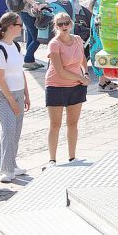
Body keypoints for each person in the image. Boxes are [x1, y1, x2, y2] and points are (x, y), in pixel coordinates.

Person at [44, 12, 90, 170]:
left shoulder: (77, 39)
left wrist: (85, 73)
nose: (64, 26)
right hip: (56, 86)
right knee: (55, 124)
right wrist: (81, 79)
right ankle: (52, 159)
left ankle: (72, 156)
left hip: (76, 85)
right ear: (55, 27)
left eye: (66, 23)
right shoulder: (54, 44)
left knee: (73, 123)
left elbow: (82, 59)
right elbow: (60, 70)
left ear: (71, 24)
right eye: (60, 24)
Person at [0, 13, 30, 183]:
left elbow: (20, 71)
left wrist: (26, 94)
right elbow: (0, 78)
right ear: (10, 26)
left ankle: (10, 162)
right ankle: (6, 169)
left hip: (18, 91)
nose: (22, 27)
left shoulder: (15, 46)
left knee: (16, 130)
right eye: (20, 25)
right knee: (9, 128)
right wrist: (12, 101)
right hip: (2, 95)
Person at [88, 0, 118, 92]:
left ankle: (106, 79)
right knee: (103, 50)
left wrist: (95, 16)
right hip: (103, 25)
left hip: (95, 23)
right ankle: (102, 83)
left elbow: (89, 7)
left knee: (99, 49)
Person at [21, 0, 48, 70]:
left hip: (30, 13)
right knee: (37, 38)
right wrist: (35, 4)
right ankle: (27, 60)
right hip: (28, 13)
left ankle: (31, 60)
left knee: (32, 37)